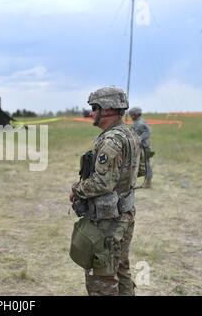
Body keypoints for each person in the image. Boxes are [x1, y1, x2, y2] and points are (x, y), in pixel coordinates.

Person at [69, 86, 140, 296]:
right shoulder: (130, 134)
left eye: (94, 107)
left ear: (107, 110)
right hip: (124, 215)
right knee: (121, 270)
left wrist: (76, 190)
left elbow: (102, 183)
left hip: (109, 222)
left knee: (101, 279)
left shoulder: (111, 140)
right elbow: (140, 170)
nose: (91, 113)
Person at [128, 107, 153, 188]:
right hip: (138, 146)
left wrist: (140, 138)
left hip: (144, 147)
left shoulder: (140, 123)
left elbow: (148, 132)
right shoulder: (136, 122)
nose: (131, 116)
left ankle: (148, 181)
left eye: (132, 115)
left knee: (146, 164)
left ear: (136, 115)